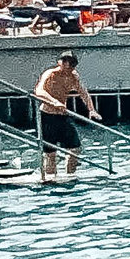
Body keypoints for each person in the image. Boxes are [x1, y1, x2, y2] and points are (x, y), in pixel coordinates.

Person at [33, 46, 97, 181]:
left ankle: (69, 175)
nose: (68, 66)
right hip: (47, 114)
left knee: (75, 148)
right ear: (59, 62)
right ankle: (49, 178)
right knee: (50, 152)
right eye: (65, 62)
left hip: (62, 115)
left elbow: (84, 93)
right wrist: (54, 102)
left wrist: (91, 110)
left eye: (71, 63)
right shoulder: (50, 74)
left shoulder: (74, 76)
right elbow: (39, 91)